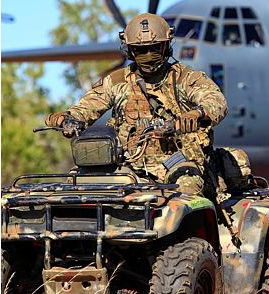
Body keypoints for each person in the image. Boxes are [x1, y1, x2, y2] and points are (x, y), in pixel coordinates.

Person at [45, 13, 228, 197]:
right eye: (141, 50)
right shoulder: (116, 82)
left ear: (166, 46)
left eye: (155, 48)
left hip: (177, 162)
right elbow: (86, 108)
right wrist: (68, 119)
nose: (149, 56)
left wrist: (198, 114)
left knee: (187, 186)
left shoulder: (186, 78)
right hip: (128, 165)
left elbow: (216, 100)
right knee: (79, 183)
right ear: (130, 50)